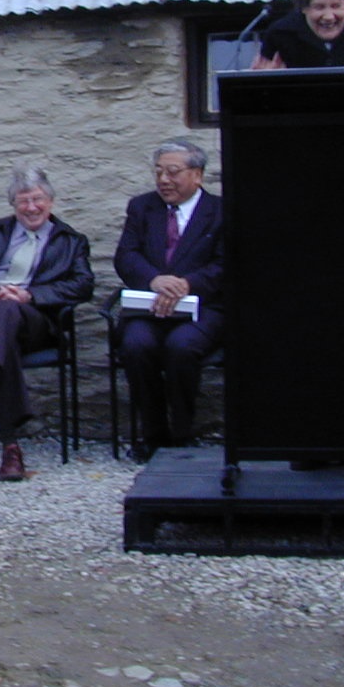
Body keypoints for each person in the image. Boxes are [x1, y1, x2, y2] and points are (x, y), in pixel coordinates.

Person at [0, 166, 94, 481]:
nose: (31, 207)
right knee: (3, 320)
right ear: (13, 205)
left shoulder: (71, 241)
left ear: (50, 201)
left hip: (37, 325)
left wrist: (30, 295)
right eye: (23, 201)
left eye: (37, 199)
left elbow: (83, 285)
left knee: (10, 312)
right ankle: (10, 448)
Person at [113, 139, 225, 461]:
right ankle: (153, 435)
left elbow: (225, 264)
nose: (164, 180)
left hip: (201, 308)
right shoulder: (142, 207)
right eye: (159, 172)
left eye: (173, 172)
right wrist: (155, 280)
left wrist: (186, 285)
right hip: (148, 307)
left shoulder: (219, 211)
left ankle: (182, 433)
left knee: (182, 347)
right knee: (136, 346)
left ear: (197, 175)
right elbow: (126, 255)